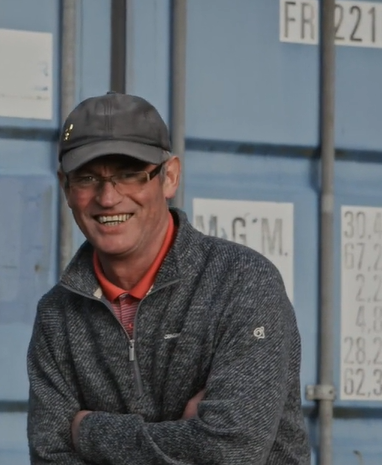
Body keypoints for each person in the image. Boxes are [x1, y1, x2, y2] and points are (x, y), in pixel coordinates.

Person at [26, 92, 311, 464]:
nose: (108, 197)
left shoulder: (243, 284)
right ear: (66, 187)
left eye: (130, 174)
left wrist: (89, 430)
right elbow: (51, 457)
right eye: (88, 178)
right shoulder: (57, 315)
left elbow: (228, 451)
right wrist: (185, 438)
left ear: (170, 176)